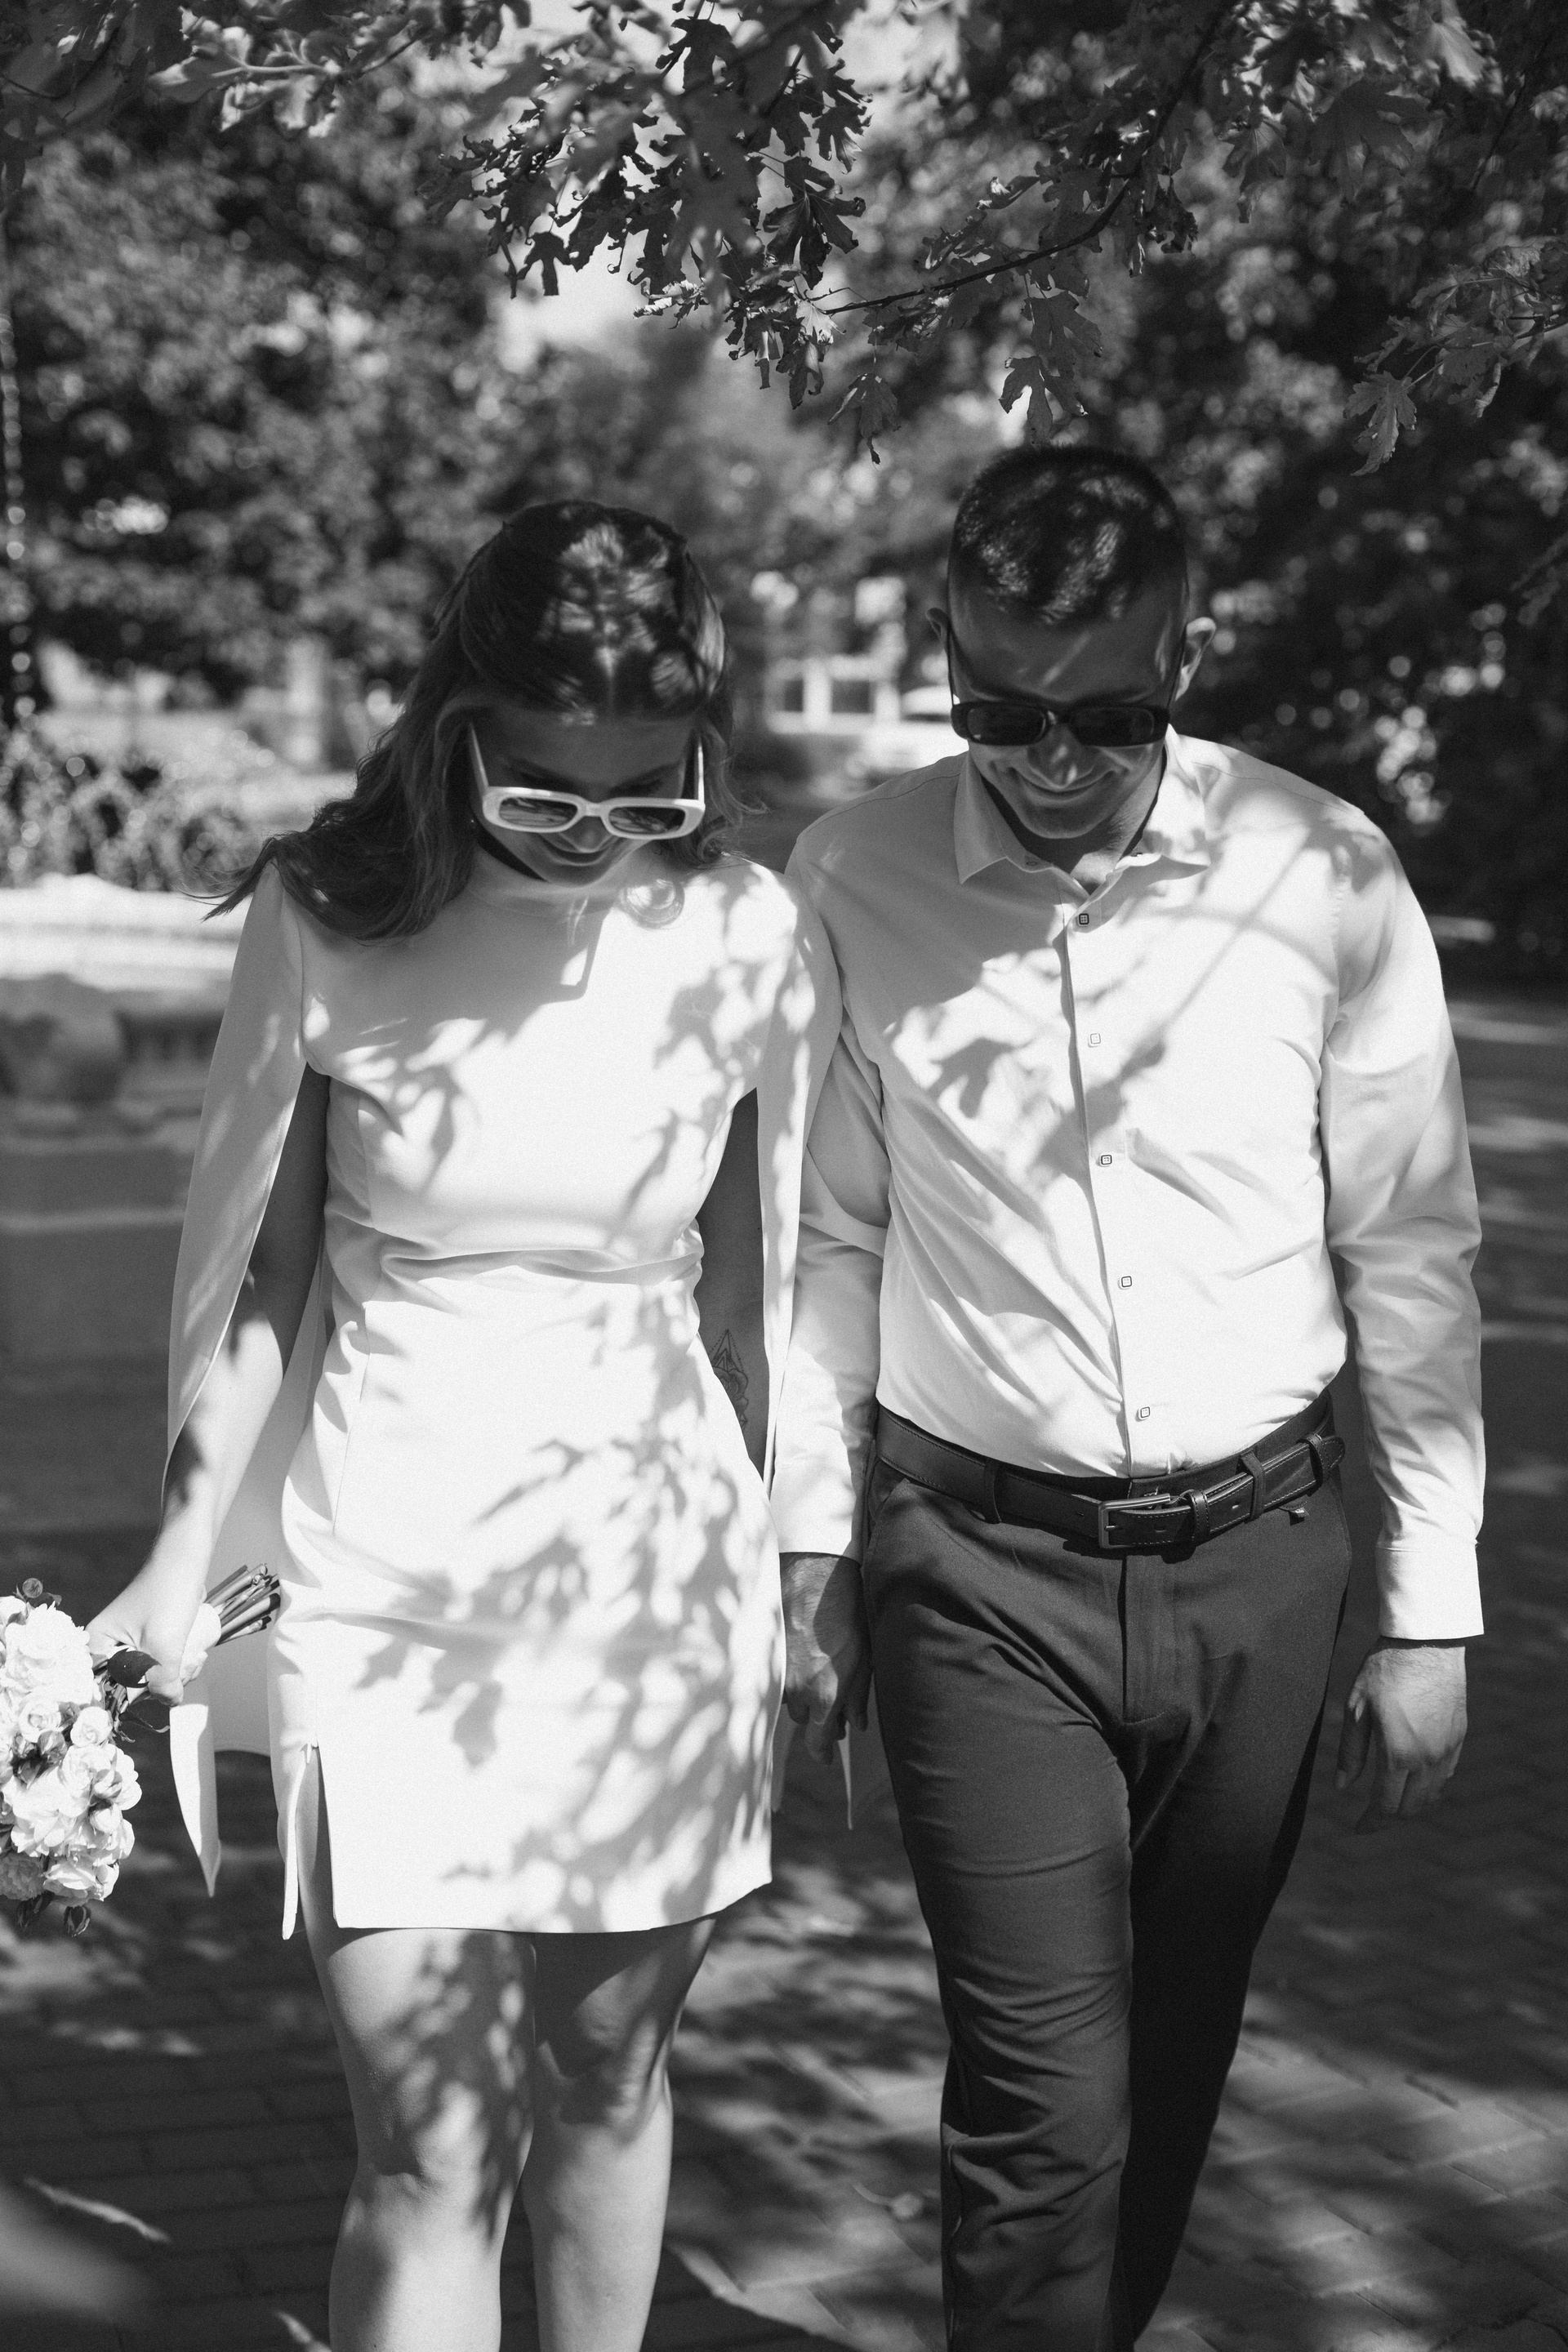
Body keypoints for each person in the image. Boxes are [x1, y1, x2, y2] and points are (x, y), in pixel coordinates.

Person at [87, 502, 838, 2352]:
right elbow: (262, 1276)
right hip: (384, 1581)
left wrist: (802, 1576)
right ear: (457, 726)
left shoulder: (748, 930)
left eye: (648, 796)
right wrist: (175, 1564)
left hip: (652, 1587)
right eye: (546, 793)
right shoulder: (328, 917)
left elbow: (760, 1292)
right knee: (427, 2146)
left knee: (606, 2088)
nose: (595, 837)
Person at [771, 447, 1482, 2348]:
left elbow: (1411, 1249)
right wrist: (809, 1561)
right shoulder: (853, 878)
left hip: (1263, 1566)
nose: (1052, 759)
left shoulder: (1325, 872)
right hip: (976, 1576)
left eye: (1106, 713)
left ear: (1189, 649)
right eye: (999, 712)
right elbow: (826, 1246)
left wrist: (1429, 1611)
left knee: (1165, 2073)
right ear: (943, 660)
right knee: (1042, 2099)